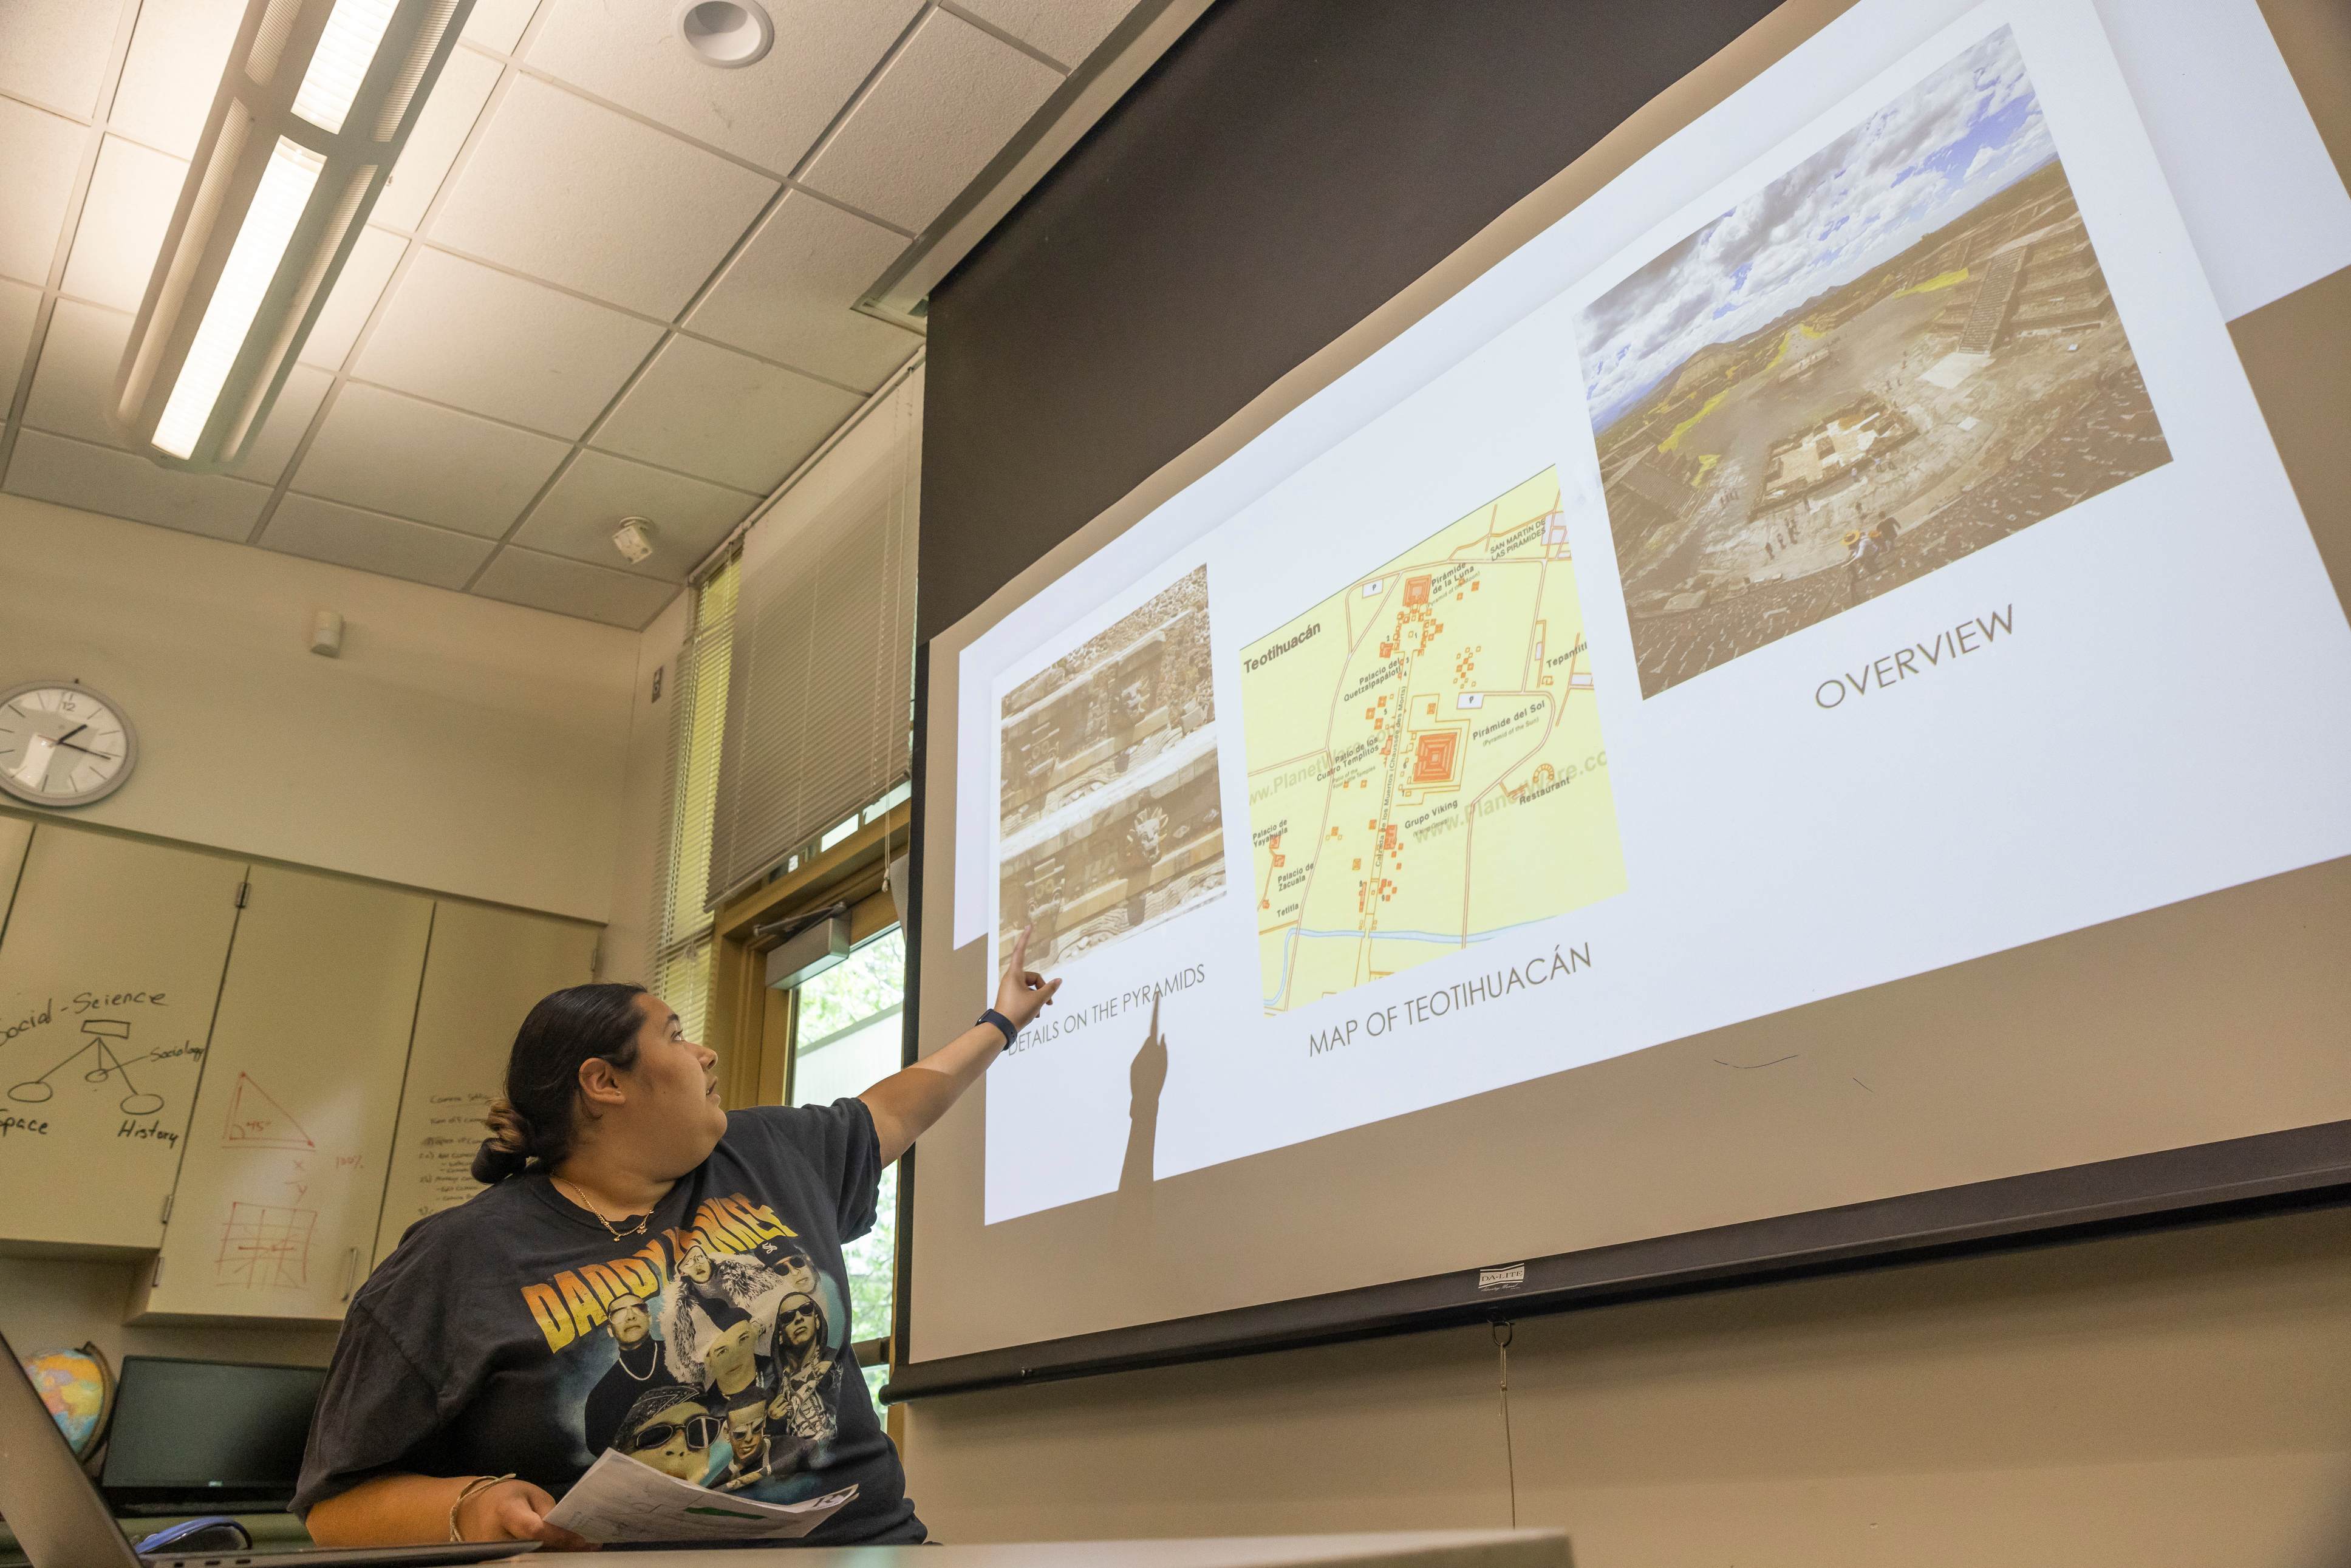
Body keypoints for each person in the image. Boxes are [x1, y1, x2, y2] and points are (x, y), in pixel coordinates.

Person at [293, 928, 1062, 1549]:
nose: (707, 1053)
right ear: (606, 1082)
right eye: (676, 1035)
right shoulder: (456, 1257)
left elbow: (897, 1107)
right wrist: (473, 1504)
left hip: (867, 1546)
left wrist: (999, 1023)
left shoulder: (768, 1153)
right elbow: (335, 1507)